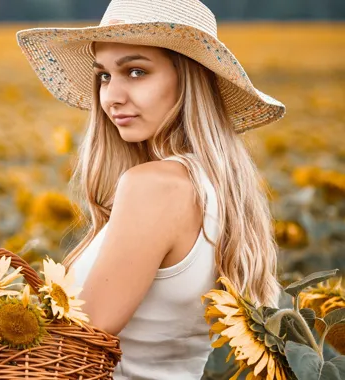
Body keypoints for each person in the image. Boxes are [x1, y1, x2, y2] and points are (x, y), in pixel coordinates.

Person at [16, 0, 286, 378]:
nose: (111, 97)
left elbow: (74, 344)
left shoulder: (155, 187)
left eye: (137, 71)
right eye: (105, 76)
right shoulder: (216, 187)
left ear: (190, 78)